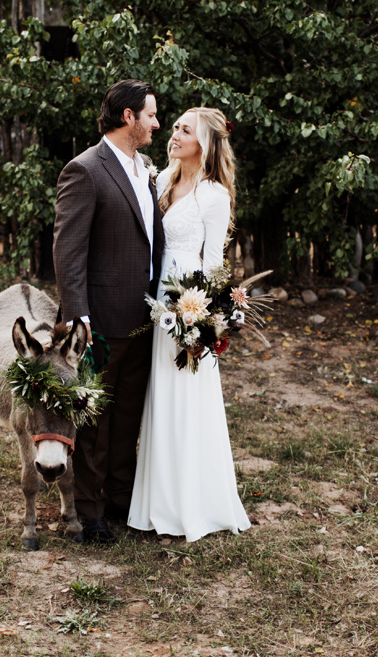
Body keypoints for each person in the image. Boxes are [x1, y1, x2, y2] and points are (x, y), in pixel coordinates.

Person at [128, 107, 252, 542]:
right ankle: (156, 501)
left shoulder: (214, 195)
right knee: (157, 396)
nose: (174, 134)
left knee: (185, 395)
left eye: (185, 130)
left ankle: (193, 504)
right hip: (155, 297)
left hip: (188, 304)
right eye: (175, 126)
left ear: (205, 143)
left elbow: (216, 265)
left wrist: (208, 323)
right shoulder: (161, 180)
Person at [53, 79, 165, 544]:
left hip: (144, 319)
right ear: (128, 118)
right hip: (98, 320)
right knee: (93, 421)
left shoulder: (147, 171)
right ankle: (90, 510)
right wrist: (79, 316)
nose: (157, 123)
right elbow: (68, 251)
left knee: (128, 415)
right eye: (152, 115)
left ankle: (121, 498)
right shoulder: (85, 170)